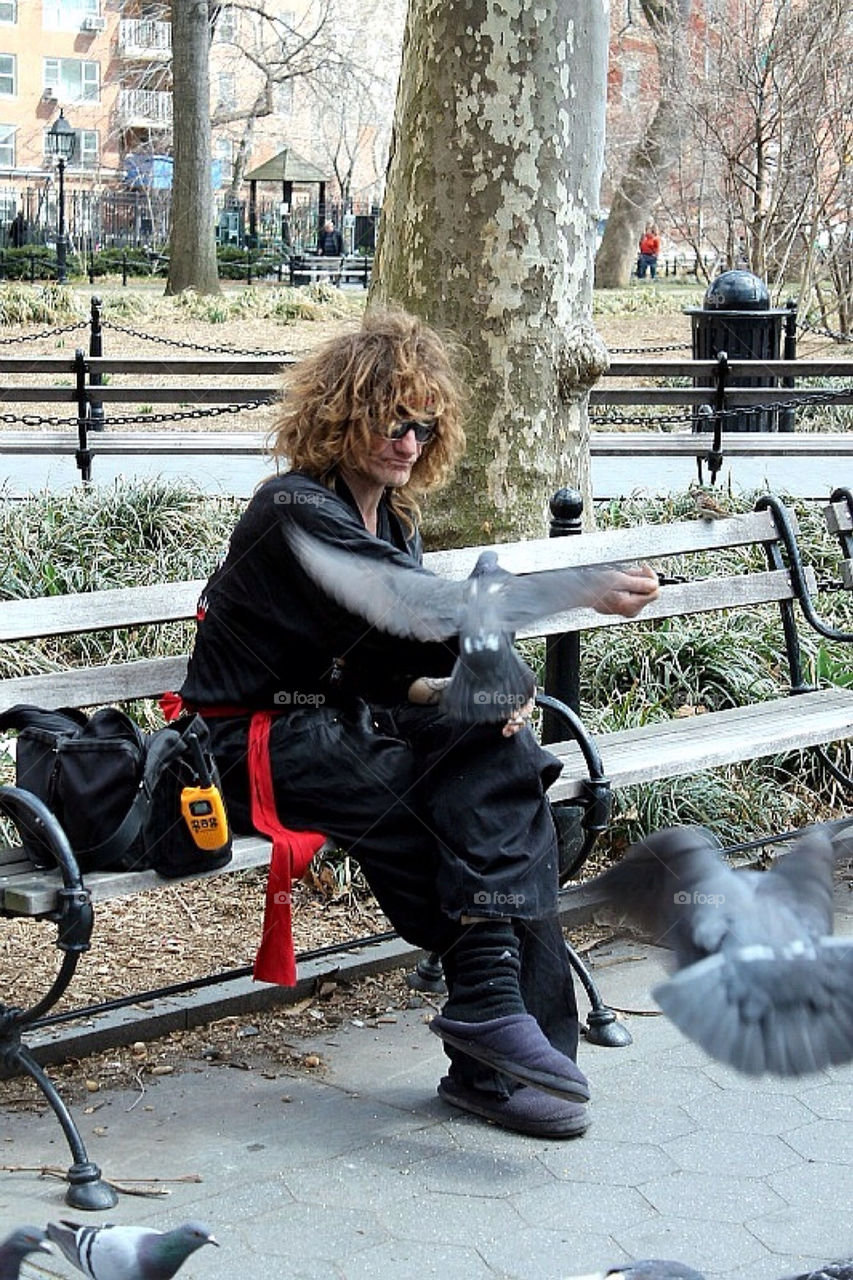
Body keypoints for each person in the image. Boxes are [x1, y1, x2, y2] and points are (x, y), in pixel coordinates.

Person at [179, 310, 660, 1139]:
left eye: (420, 425)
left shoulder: (393, 522)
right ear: (340, 414)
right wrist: (574, 586)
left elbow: (379, 661)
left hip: (341, 728)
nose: (405, 441)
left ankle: (495, 1037)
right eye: (388, 419)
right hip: (252, 742)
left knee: (501, 767)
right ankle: (492, 1034)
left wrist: (468, 699)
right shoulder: (291, 507)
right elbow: (413, 610)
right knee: (459, 815)